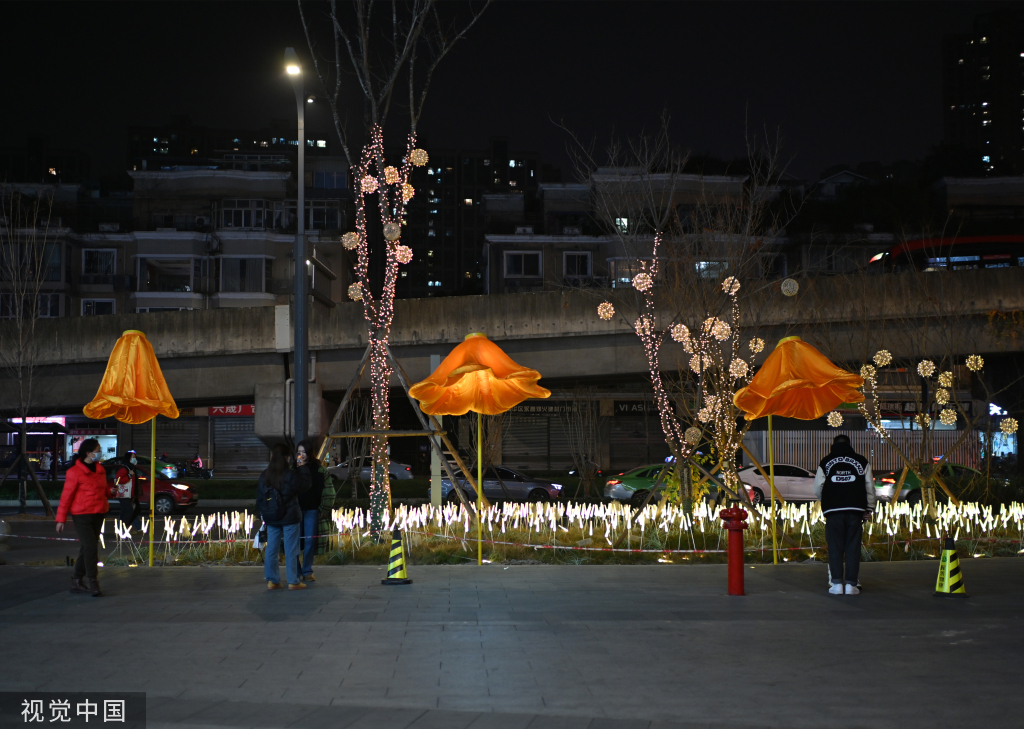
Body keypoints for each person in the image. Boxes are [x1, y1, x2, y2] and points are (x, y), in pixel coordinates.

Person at [814, 434, 875, 595]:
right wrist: (869, 508)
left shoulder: (826, 461)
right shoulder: (862, 461)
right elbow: (869, 487)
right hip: (855, 511)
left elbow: (818, 487)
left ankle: (836, 585)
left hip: (833, 512)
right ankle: (851, 585)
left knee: (835, 547)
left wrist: (826, 502)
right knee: (852, 547)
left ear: (833, 445)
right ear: (850, 445)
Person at [55, 439, 110, 597]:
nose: (100, 452)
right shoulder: (74, 472)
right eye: (98, 450)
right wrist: (61, 519)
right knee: (91, 547)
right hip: (81, 514)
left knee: (87, 547)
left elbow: (103, 490)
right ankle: (93, 580)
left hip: (99, 513)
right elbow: (66, 496)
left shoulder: (100, 470)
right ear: (89, 452)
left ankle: (77, 580)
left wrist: (111, 492)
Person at [255, 443, 311, 591]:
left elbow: (260, 497)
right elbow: (305, 486)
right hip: (290, 517)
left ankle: (272, 580)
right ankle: (293, 581)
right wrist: (302, 466)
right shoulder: (290, 475)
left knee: (272, 549)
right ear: (287, 457)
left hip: (272, 518)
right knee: (291, 549)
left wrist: (263, 513)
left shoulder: (265, 475)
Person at [296, 439, 337, 582]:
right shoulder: (292, 470)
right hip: (295, 511)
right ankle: (296, 570)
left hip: (312, 510)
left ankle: (307, 570)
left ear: (310, 453)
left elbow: (329, 490)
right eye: (299, 452)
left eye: (304, 452)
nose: (301, 455)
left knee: (309, 541)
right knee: (294, 542)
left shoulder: (319, 470)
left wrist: (324, 507)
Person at [114, 451, 141, 528]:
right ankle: (123, 527)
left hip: (130, 494)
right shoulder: (125, 468)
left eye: (135, 457)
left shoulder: (132, 468)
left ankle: (124, 526)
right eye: (133, 457)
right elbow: (119, 479)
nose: (135, 459)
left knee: (133, 509)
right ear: (128, 458)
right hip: (124, 494)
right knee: (128, 510)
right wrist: (129, 475)